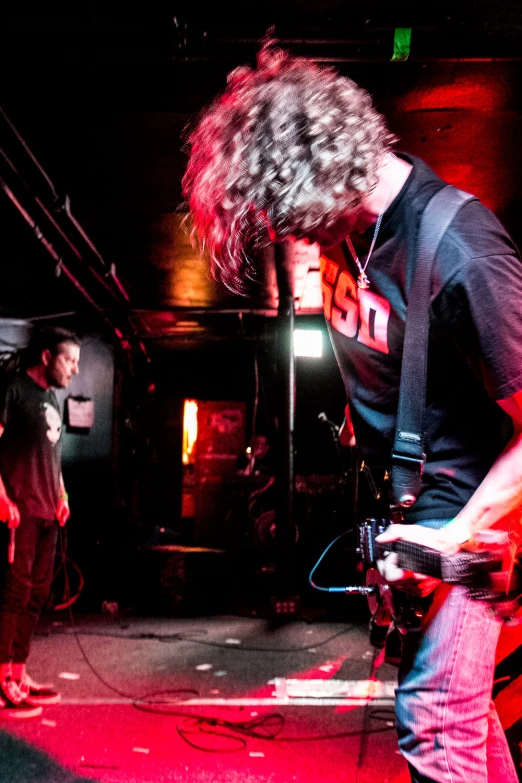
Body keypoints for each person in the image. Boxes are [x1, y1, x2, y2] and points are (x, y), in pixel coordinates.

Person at [182, 45, 522, 783]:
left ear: (316, 180)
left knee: (434, 715)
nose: (292, 236)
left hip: (477, 523)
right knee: (462, 719)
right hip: (424, 513)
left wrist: (450, 538)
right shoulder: (356, 236)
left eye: (287, 216)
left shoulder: (462, 250)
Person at [0, 326, 80, 719]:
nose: (75, 370)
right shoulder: (13, 389)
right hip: (21, 510)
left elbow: (52, 457)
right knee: (13, 595)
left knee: (36, 595)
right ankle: (2, 680)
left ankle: (19, 672)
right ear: (47, 357)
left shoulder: (50, 398)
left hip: (48, 511)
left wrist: (62, 495)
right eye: (70, 360)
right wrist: (1, 498)